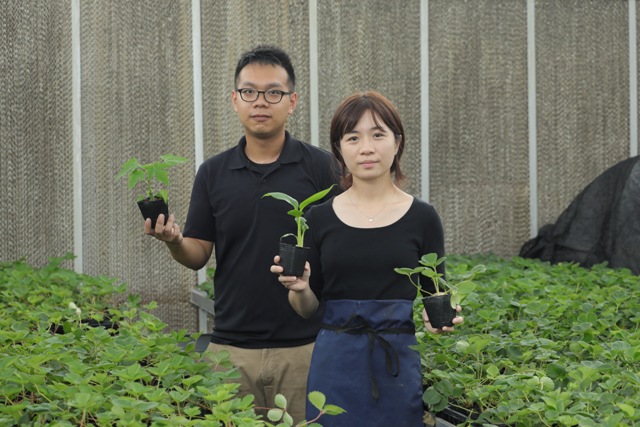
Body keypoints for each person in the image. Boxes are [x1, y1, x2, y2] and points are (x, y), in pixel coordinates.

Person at [145, 45, 339, 421]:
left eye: (273, 93)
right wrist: (174, 242)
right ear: (235, 100)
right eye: (249, 92)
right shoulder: (213, 172)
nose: (260, 102)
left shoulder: (322, 168)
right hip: (230, 349)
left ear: (292, 101)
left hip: (306, 348)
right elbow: (198, 252)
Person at [271, 91, 463, 426]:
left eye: (378, 134)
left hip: (396, 362)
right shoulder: (319, 218)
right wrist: (299, 287)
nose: (367, 148)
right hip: (335, 362)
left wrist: (440, 323)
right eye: (353, 137)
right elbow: (307, 309)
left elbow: (435, 295)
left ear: (397, 142)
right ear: (339, 148)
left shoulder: (423, 217)